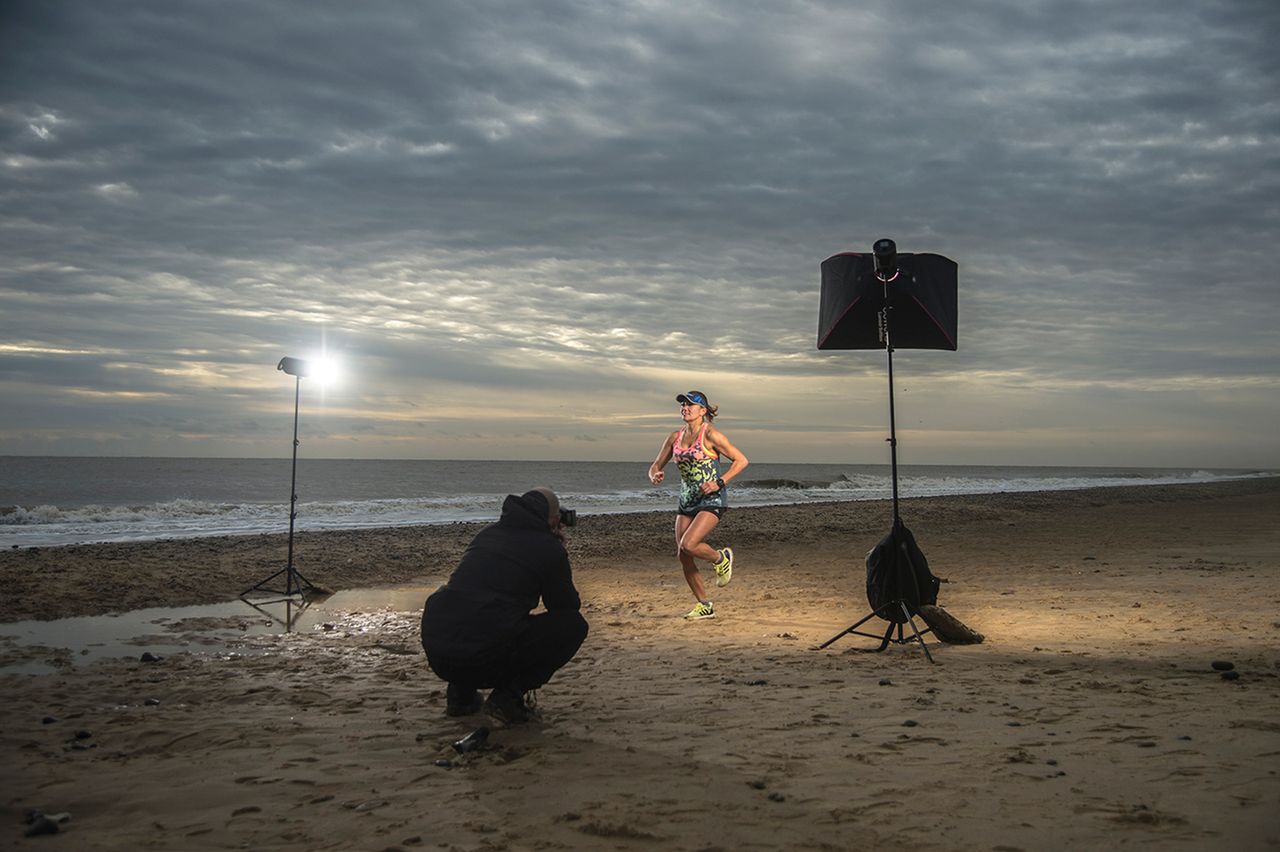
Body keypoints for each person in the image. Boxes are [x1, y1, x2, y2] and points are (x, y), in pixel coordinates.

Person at [420, 487, 588, 723]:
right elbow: (565, 606)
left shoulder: (487, 534)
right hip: (483, 658)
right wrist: (556, 553)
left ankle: (460, 696)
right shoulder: (547, 548)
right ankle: (507, 698)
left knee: (472, 612)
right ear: (554, 520)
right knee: (573, 626)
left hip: (440, 655)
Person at [647, 390, 749, 619]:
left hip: (711, 499)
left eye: (690, 404)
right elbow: (655, 465)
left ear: (702, 411)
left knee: (690, 544)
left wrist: (719, 482)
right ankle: (704, 604)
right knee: (683, 554)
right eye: (683, 404)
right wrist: (655, 474)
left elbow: (742, 461)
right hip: (686, 501)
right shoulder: (674, 437)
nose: (685, 407)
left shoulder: (712, 435)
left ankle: (721, 559)